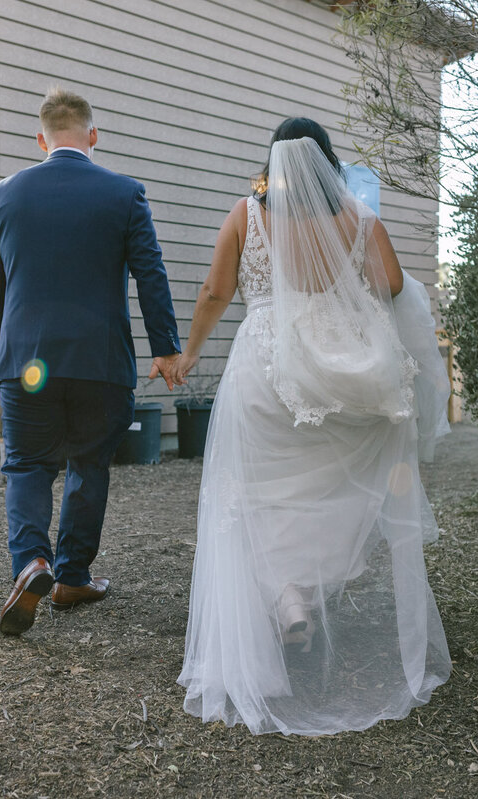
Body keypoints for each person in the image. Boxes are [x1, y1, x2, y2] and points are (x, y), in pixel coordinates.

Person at [172, 118, 452, 735]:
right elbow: (394, 285)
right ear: (329, 164)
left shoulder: (248, 213)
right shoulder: (359, 218)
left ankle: (286, 595)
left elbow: (217, 291)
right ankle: (300, 587)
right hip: (342, 377)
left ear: (274, 164)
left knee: (256, 493)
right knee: (325, 490)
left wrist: (189, 352)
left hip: (268, 371)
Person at [0, 87, 181, 637]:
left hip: (26, 360)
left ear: (41, 139)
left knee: (27, 464)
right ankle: (71, 577)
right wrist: (165, 347)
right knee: (89, 464)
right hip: (101, 359)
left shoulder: (2, 195)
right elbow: (150, 272)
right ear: (92, 135)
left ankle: (31, 563)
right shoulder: (124, 192)